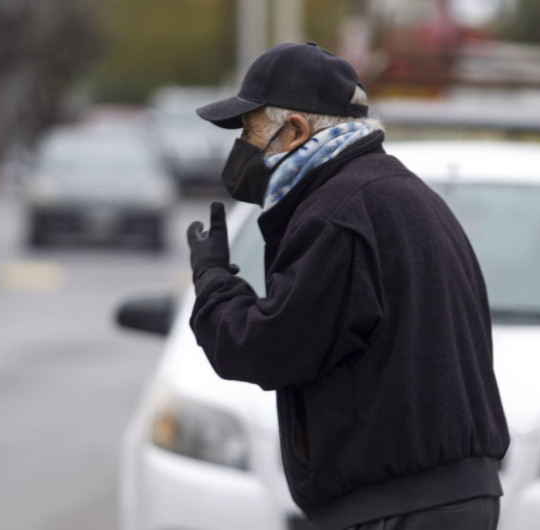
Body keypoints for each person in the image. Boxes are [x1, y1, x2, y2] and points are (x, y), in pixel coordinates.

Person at [186, 42, 509, 530]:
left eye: (248, 130)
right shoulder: (400, 194)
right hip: (449, 499)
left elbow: (269, 348)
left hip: (396, 509)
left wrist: (212, 283)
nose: (240, 147)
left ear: (293, 130)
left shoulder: (337, 215)